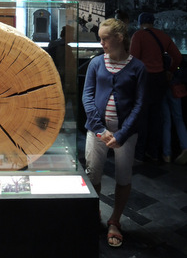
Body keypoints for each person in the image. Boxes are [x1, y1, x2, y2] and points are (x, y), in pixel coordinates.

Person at [82, 18, 147, 248]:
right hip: (97, 131)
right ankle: (93, 212)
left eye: (104, 38)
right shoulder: (96, 64)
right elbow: (87, 97)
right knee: (92, 176)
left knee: (123, 176)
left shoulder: (137, 67)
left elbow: (140, 104)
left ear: (119, 38)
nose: (101, 43)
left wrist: (121, 134)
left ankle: (115, 221)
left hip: (125, 135)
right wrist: (100, 129)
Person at [130, 12, 182, 162]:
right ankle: (154, 152)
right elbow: (177, 57)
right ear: (153, 22)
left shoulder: (138, 35)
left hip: (144, 80)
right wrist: (170, 72)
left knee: (142, 116)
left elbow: (134, 60)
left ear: (140, 22)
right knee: (156, 116)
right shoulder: (163, 36)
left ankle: (139, 153)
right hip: (160, 79)